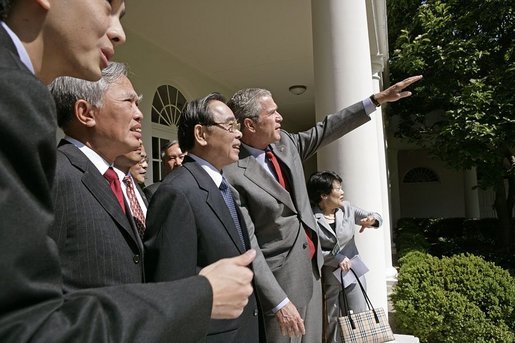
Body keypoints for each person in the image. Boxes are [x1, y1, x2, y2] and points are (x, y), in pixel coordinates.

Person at [0, 1, 255, 341]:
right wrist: (200, 295)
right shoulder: (55, 169)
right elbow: (26, 321)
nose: (119, 32)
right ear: (85, 113)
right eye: (108, 6)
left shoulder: (120, 183)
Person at [223, 75, 422, 343]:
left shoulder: (287, 145)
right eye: (272, 113)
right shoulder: (232, 173)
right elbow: (251, 247)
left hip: (314, 272)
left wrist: (376, 100)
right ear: (250, 124)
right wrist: (278, 300)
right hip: (280, 283)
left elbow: (328, 128)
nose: (280, 117)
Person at [144, 92, 260, 342]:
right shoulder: (177, 192)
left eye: (237, 126)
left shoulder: (221, 186)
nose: (238, 133)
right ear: (201, 134)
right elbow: (172, 291)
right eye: (229, 126)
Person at [307, 171, 382, 343]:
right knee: (331, 321)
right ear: (324, 195)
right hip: (329, 278)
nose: (342, 192)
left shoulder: (347, 208)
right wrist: (336, 258)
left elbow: (377, 217)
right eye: (338, 189)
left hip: (353, 273)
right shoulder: (310, 217)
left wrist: (372, 220)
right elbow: (310, 248)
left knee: (358, 316)